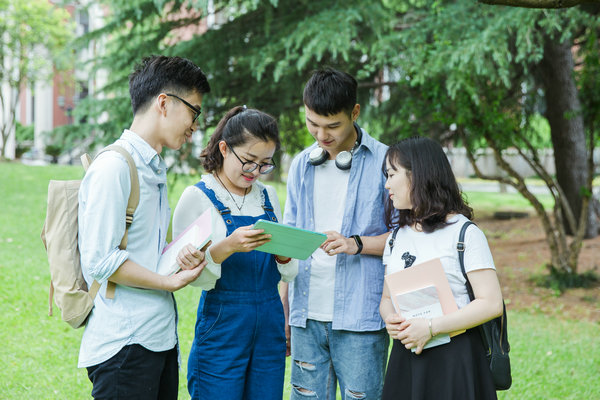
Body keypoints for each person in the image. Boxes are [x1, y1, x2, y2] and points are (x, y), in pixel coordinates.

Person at [77, 55, 211, 399]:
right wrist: (168, 280)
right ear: (164, 103)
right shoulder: (114, 167)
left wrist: (176, 257)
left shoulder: (153, 166)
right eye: (194, 111)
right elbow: (102, 261)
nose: (195, 124)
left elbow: (142, 250)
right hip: (125, 345)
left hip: (159, 338)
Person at [173, 106, 298, 400]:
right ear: (224, 148)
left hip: (269, 320)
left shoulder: (266, 196)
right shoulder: (198, 197)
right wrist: (228, 246)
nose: (255, 171)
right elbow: (186, 275)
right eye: (249, 161)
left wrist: (284, 255)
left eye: (265, 164)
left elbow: (287, 273)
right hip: (223, 321)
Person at [281, 68, 390, 399]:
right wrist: (284, 306)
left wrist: (355, 244)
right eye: (312, 123)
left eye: (332, 126)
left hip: (362, 318)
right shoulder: (301, 164)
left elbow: (407, 239)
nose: (321, 135)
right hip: (306, 316)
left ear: (355, 113)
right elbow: (289, 238)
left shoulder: (387, 162)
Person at [379, 137, 504, 400]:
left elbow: (491, 303)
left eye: (392, 175)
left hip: (455, 360)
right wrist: (390, 318)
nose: (387, 184)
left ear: (419, 175)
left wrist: (432, 327)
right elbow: (387, 299)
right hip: (407, 357)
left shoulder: (465, 234)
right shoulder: (396, 237)